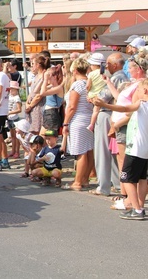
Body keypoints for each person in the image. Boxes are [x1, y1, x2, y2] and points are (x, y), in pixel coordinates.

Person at [94, 78, 148, 220]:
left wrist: (104, 104)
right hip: (145, 149)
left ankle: (136, 209)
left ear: (145, 91)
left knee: (127, 178)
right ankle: (140, 207)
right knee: (142, 179)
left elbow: (124, 109)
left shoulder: (142, 104)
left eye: (137, 90)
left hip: (135, 147)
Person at [90, 53, 129, 198]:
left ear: (115, 64)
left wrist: (93, 98)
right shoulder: (124, 77)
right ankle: (117, 184)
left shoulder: (117, 77)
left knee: (102, 151)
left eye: (108, 63)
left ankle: (103, 186)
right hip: (115, 114)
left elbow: (103, 97)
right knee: (114, 152)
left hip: (107, 113)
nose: (106, 66)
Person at [61, 58, 94, 191]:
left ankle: (77, 182)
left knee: (80, 152)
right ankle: (85, 179)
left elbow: (72, 107)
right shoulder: (89, 83)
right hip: (89, 118)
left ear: (74, 70)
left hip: (78, 119)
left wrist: (65, 123)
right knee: (89, 150)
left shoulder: (77, 85)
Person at [25, 55, 47, 134]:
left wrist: (30, 106)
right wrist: (27, 102)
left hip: (38, 107)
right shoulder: (36, 76)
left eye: (33, 64)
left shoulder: (44, 77)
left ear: (38, 65)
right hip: (31, 107)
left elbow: (39, 95)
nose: (32, 66)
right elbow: (32, 92)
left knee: (37, 131)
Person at [39, 64, 64, 134]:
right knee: (42, 138)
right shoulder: (52, 87)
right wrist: (44, 79)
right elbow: (38, 91)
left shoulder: (58, 88)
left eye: (50, 76)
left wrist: (46, 79)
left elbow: (42, 93)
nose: (48, 78)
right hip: (48, 114)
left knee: (49, 138)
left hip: (52, 114)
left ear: (55, 76)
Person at [86, 53, 107, 132]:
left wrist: (87, 93)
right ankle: (92, 124)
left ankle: (91, 124)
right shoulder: (105, 73)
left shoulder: (91, 74)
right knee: (96, 110)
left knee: (95, 111)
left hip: (93, 95)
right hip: (102, 95)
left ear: (94, 65)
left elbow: (88, 86)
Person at [7, 80, 22, 159]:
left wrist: (10, 112)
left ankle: (17, 152)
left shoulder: (17, 98)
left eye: (13, 89)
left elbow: (19, 109)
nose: (11, 91)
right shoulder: (10, 96)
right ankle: (13, 151)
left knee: (16, 136)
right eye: (10, 89)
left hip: (14, 118)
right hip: (10, 118)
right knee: (12, 136)